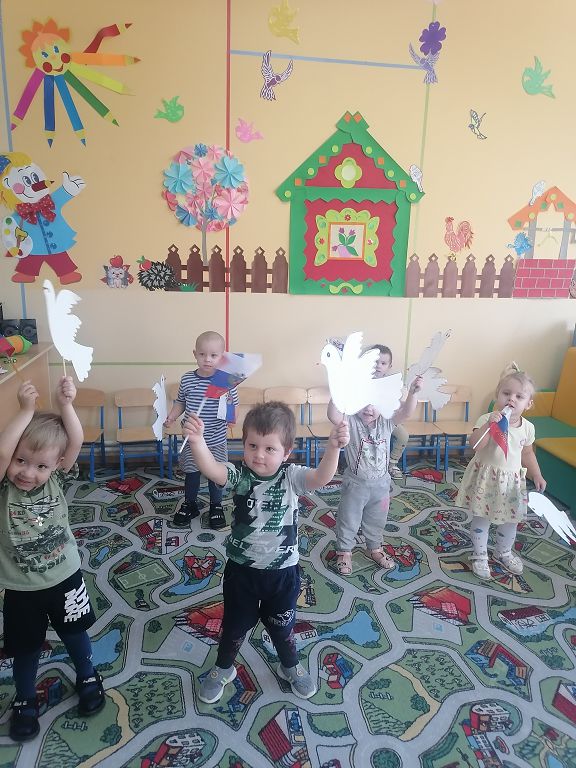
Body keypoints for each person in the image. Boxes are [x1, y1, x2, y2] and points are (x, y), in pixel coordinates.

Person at [181, 401, 349, 703]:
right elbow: (213, 470)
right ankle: (224, 667)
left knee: (283, 627)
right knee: (233, 627)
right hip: (242, 572)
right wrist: (197, 441)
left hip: (282, 574)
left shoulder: (291, 476)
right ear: (244, 444)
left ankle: (289, 665)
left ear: (286, 452)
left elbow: (321, 478)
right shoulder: (240, 475)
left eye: (270, 448)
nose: (259, 454)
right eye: (252, 446)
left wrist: (334, 448)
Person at [0, 378, 105, 742]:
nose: (28, 473)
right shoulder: (5, 486)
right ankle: (25, 698)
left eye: (41, 466)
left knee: (75, 634)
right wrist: (25, 411)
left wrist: (66, 406)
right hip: (21, 587)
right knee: (25, 648)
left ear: (57, 465)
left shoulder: (55, 479)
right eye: (21, 460)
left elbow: (75, 440)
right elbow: (2, 453)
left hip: (65, 577)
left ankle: (87, 674)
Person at [456, 363, 546, 580]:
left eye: (519, 396)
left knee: (510, 520)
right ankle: (480, 555)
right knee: (482, 517)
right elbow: (475, 446)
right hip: (487, 479)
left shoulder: (528, 428)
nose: (511, 399)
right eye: (506, 393)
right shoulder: (486, 420)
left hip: (511, 483)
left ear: (528, 403)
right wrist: (489, 425)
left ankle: (503, 552)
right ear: (498, 395)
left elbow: (527, 454)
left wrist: (537, 474)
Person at [328, 374, 423, 576]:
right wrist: (339, 388)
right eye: (363, 402)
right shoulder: (350, 422)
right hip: (356, 485)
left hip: (381, 486)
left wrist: (413, 393)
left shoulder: (387, 422)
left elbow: (406, 412)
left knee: (377, 519)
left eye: (375, 404)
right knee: (348, 519)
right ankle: (344, 551)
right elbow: (333, 414)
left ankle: (375, 548)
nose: (369, 409)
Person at [165, 330, 239, 530]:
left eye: (214, 355)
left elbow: (233, 408)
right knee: (192, 473)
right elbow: (180, 402)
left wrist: (232, 416)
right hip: (191, 438)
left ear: (222, 357)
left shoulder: (227, 381)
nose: (207, 359)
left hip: (216, 439)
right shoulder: (188, 379)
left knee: (216, 474)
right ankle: (190, 504)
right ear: (194, 354)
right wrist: (172, 416)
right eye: (202, 354)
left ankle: (216, 505)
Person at [368, 344, 409, 479]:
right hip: (367, 421)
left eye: (383, 363)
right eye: (375, 362)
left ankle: (392, 463)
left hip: (387, 420)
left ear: (389, 366)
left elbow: (398, 404)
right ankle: (363, 462)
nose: (378, 366)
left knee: (403, 435)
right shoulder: (364, 381)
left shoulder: (391, 383)